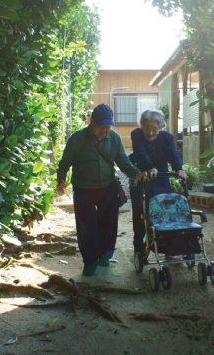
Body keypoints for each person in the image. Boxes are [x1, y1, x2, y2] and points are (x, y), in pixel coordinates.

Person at [56, 104, 147, 276]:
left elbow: (123, 162)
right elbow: (65, 162)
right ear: (91, 122)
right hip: (83, 188)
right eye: (101, 126)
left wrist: (137, 174)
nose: (105, 130)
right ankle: (90, 261)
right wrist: (61, 179)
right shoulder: (77, 138)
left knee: (109, 222)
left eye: (108, 126)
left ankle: (105, 256)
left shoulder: (114, 138)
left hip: (108, 187)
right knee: (86, 226)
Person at [130, 109, 187, 255]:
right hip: (142, 178)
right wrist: (150, 167)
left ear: (160, 127)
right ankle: (139, 248)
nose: (150, 133)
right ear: (141, 126)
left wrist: (179, 169)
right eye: (146, 128)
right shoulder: (136, 134)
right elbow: (140, 153)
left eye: (154, 129)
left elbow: (173, 154)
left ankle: (167, 245)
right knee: (140, 213)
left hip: (161, 179)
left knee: (163, 211)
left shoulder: (167, 137)